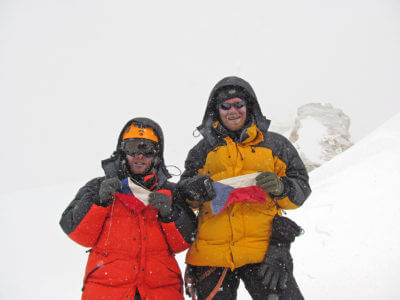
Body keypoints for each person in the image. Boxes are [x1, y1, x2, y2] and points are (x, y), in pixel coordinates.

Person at [178, 76, 311, 300]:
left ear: (249, 106)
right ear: (216, 110)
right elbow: (185, 198)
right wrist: (194, 189)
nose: (233, 110)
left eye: (238, 104)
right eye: (225, 106)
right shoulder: (201, 152)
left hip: (265, 252)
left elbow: (300, 190)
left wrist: (281, 188)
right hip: (212, 255)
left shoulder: (275, 145)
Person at [60, 117, 196, 300]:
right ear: (122, 151)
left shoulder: (170, 192)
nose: (140, 156)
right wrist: (98, 202)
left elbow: (185, 242)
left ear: (157, 154)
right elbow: (78, 234)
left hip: (160, 291)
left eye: (147, 149)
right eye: (133, 147)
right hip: (107, 291)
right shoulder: (98, 186)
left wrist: (170, 214)